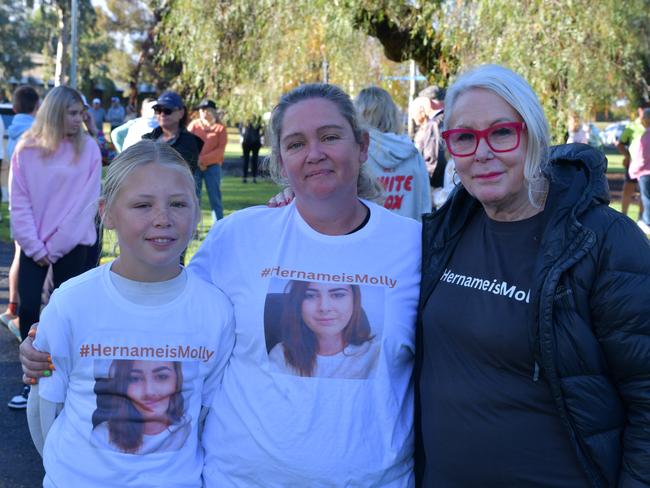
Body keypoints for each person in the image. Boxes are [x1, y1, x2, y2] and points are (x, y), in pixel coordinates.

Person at [22, 83, 421, 485]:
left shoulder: (413, 247)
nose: (314, 153)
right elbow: (164, 310)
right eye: (296, 143)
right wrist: (52, 337)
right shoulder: (238, 236)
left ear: (363, 146)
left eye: (330, 137)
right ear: (281, 162)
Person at [416, 64, 650, 486]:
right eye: (465, 137)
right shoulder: (442, 233)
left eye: (502, 132)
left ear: (534, 136)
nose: (482, 152)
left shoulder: (605, 242)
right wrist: (295, 211)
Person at [25, 140, 234, 486]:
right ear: (107, 213)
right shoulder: (73, 301)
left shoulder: (215, 311)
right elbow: (43, 407)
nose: (162, 219)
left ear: (196, 211)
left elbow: (205, 414)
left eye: (178, 204)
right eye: (142, 205)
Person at [7, 86, 102, 410]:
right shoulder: (27, 148)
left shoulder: (88, 149)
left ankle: (68, 381)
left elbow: (87, 202)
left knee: (70, 314)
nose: (80, 120)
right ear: (55, 112)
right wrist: (35, 246)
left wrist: (56, 245)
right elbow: (19, 204)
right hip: (35, 247)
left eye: (81, 113)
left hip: (73, 245)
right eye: (73, 113)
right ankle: (31, 380)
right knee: (30, 308)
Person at [268, 281, 379, 379]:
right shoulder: (281, 355)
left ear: (354, 301)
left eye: (338, 295)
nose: (324, 307)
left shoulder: (376, 354)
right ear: (297, 304)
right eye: (310, 296)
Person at [355, 86, 431, 220]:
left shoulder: (359, 153)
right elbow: (425, 204)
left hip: (370, 236)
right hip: (410, 236)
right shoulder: (412, 152)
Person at [1, 86, 40, 336]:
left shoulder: (12, 129)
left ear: (14, 108)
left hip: (16, 199)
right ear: (37, 107)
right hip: (34, 201)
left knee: (19, 253)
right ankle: (20, 313)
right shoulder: (36, 133)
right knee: (29, 258)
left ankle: (12, 306)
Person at [90, 360, 190, 454]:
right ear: (123, 386)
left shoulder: (186, 429)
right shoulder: (103, 436)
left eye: (162, 377)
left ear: (177, 382)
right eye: (135, 379)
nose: (149, 392)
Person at [142, 91, 203, 194]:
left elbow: (179, 173)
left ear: (181, 113)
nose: (162, 114)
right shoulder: (147, 139)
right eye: (158, 110)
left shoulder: (189, 142)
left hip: (176, 198)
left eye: (167, 110)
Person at [187, 99, 227, 221]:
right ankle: (193, 228)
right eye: (201, 110)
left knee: (215, 198)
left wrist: (203, 160)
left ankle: (219, 226)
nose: (203, 112)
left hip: (213, 167)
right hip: (195, 166)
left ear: (213, 111)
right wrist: (197, 160)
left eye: (206, 110)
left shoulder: (220, 128)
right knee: (194, 198)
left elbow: (220, 150)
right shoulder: (194, 125)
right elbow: (187, 144)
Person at [617, 102, 650, 217]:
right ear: (639, 110)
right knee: (628, 190)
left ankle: (641, 218)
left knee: (644, 193)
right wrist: (627, 156)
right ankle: (623, 216)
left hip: (647, 166)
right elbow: (620, 144)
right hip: (633, 164)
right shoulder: (631, 126)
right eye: (644, 109)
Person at [628, 108, 650, 233]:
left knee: (646, 198)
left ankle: (647, 221)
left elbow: (643, 158)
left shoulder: (645, 137)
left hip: (646, 173)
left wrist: (634, 170)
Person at [240, 116, 263, 183]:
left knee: (248, 160)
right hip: (253, 141)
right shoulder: (258, 120)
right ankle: (252, 178)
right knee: (252, 160)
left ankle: (247, 177)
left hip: (249, 141)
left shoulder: (246, 119)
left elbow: (240, 127)